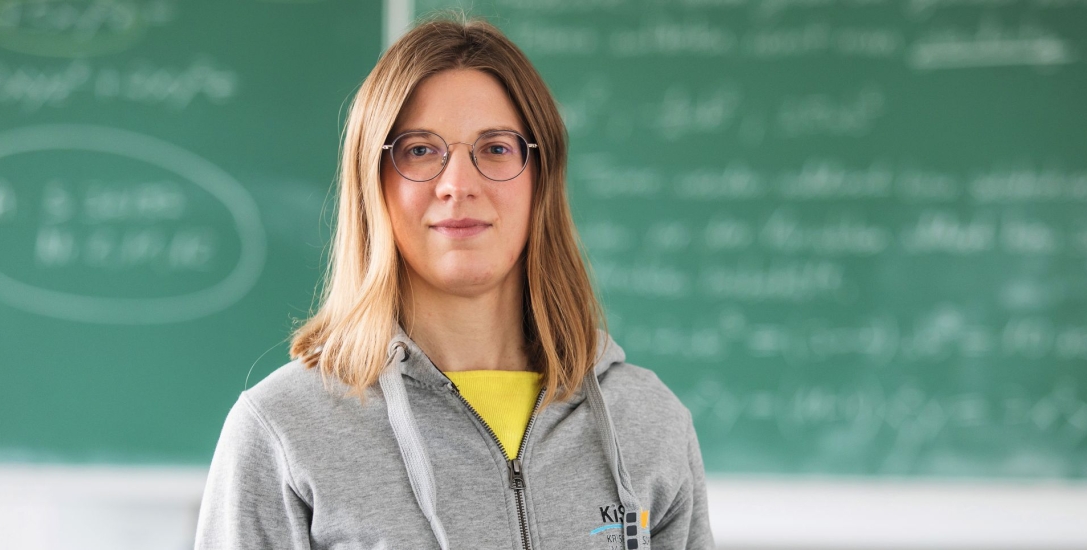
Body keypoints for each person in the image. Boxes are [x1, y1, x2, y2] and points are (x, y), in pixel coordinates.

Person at [194, 16, 714, 550]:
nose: (458, 185)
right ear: (375, 183)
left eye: (495, 149)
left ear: (541, 179)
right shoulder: (282, 428)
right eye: (420, 150)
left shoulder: (648, 421)